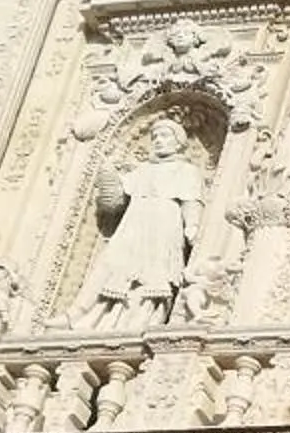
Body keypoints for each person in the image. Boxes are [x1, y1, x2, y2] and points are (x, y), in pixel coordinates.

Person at [87, 118, 210, 325]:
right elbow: (115, 202)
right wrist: (109, 174)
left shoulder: (186, 171)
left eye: (165, 136)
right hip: (134, 224)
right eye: (154, 137)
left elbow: (191, 200)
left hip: (165, 224)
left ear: (178, 141)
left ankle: (144, 319)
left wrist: (192, 225)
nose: (158, 141)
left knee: (156, 271)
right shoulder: (141, 170)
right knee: (118, 267)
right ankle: (108, 319)